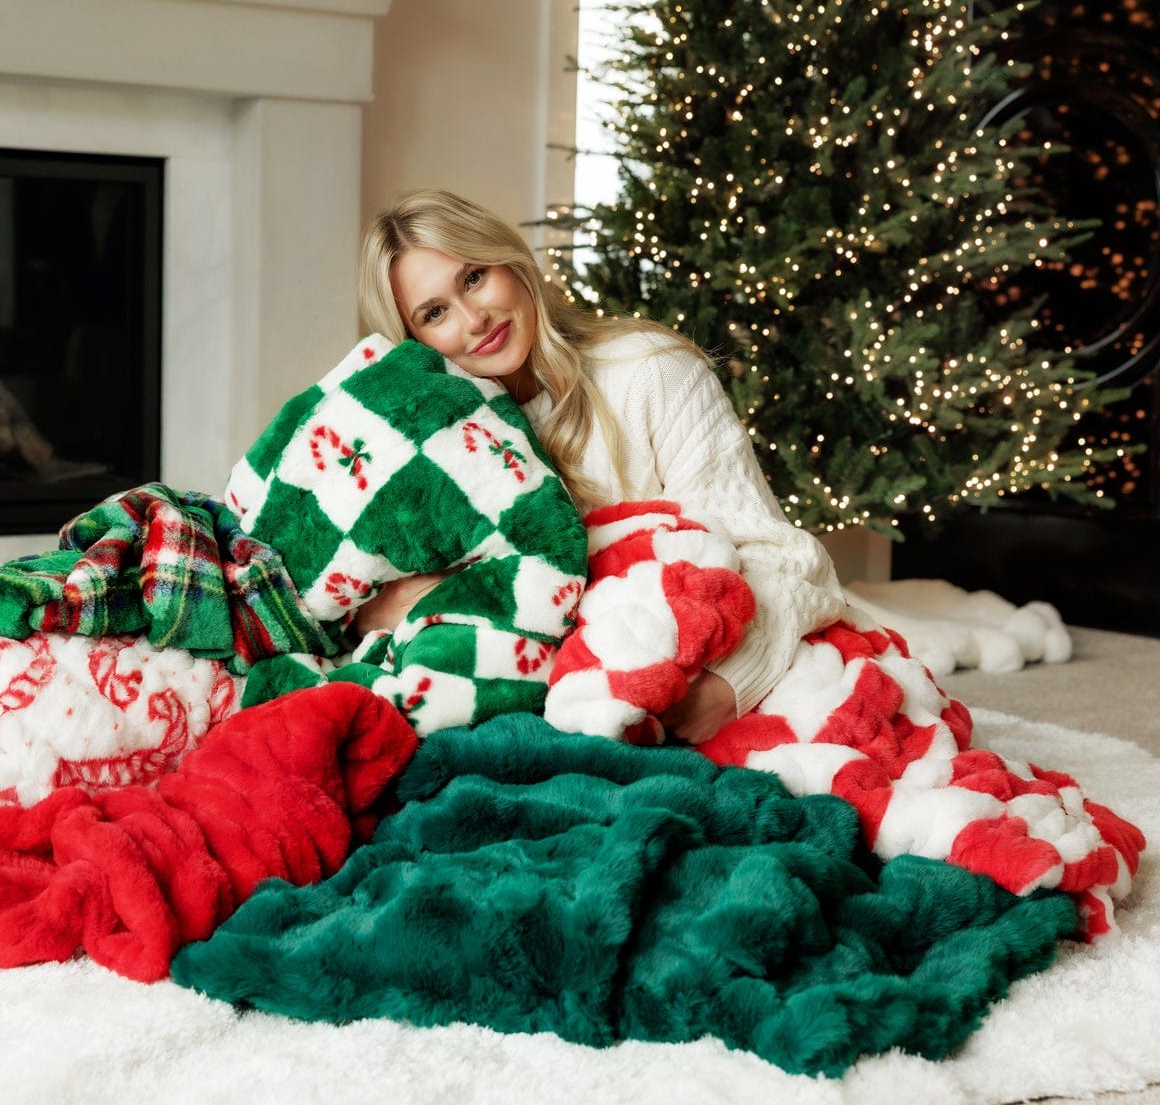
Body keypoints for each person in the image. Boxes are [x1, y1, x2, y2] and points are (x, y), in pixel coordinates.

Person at [351, 188, 848, 745]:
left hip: (687, 682)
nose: (474, 318)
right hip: (539, 714)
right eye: (435, 312)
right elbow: (367, 600)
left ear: (511, 262)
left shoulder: (650, 371)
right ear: (413, 343)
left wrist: (728, 686)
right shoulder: (425, 457)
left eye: (474, 277)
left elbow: (785, 559)